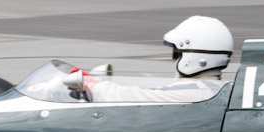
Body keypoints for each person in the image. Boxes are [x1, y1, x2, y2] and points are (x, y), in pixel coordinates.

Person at [74, 16, 234, 103]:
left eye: (176, 54)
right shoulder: (217, 87)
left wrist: (93, 85)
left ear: (197, 57)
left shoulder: (196, 91)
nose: (174, 60)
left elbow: (135, 96)